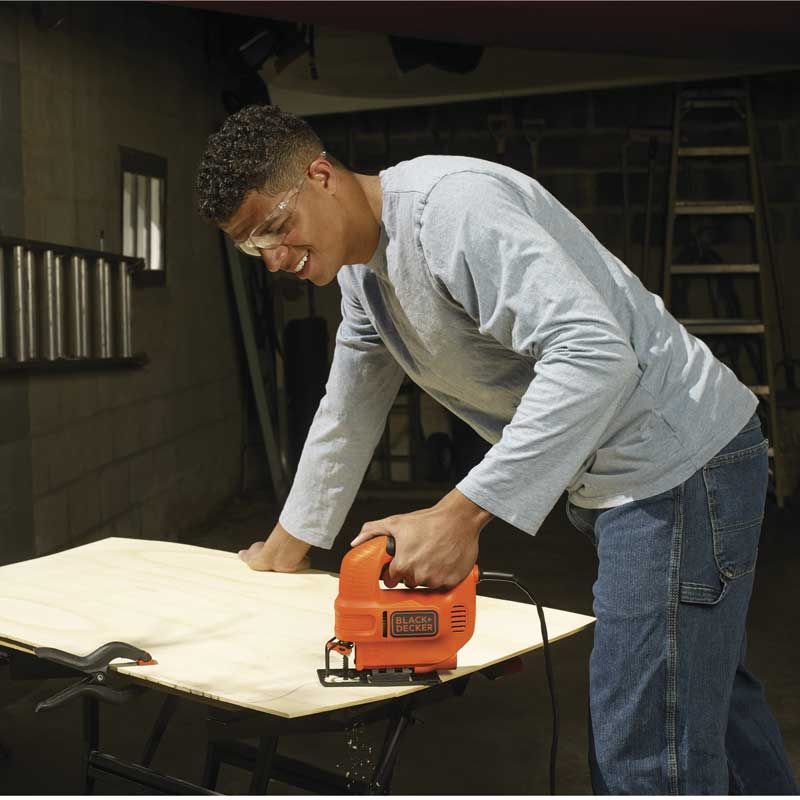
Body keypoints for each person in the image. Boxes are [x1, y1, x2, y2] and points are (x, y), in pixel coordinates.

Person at [195, 104, 797, 794]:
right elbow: (350, 403)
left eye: (276, 227)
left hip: (679, 465)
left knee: (644, 752)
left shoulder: (453, 212)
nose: (275, 258)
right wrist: (287, 546)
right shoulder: (363, 275)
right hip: (639, 472)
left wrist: (460, 515)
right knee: (705, 701)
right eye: (254, 248)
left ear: (321, 176)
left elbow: (594, 354)